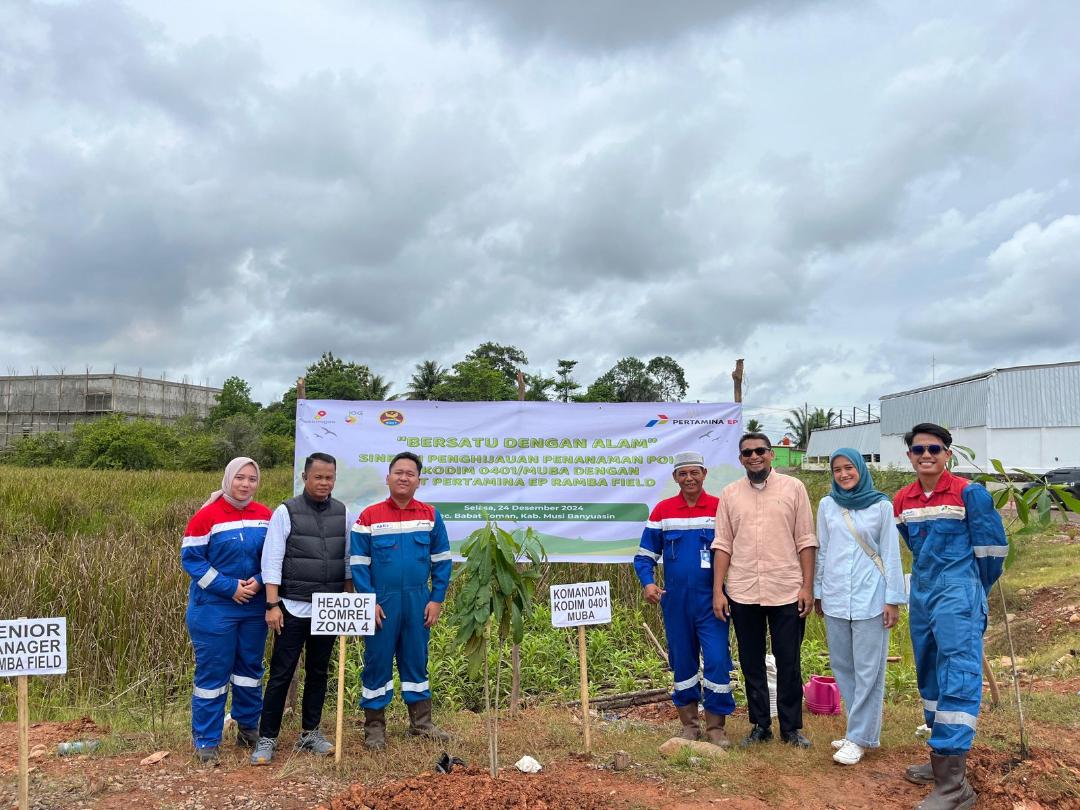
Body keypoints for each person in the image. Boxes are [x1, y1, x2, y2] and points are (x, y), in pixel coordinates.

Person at [894, 424, 1006, 809]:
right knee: (929, 671)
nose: (927, 455)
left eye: (935, 449)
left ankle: (955, 784)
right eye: (919, 449)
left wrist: (970, 592)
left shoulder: (969, 493)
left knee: (958, 672)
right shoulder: (903, 500)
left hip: (958, 593)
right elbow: (913, 544)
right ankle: (940, 761)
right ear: (909, 455)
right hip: (923, 593)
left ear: (948, 454)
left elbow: (992, 554)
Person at [711, 432, 817, 748]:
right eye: (747, 453)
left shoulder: (794, 489)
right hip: (743, 591)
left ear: (771, 455)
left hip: (786, 589)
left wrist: (807, 587)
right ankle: (760, 726)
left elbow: (806, 540)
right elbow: (723, 544)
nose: (754, 456)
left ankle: (791, 729)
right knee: (751, 661)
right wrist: (719, 590)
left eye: (760, 451)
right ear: (740, 459)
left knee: (789, 660)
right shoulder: (729, 494)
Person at [250, 452, 350, 765]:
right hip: (292, 607)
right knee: (281, 673)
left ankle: (310, 733)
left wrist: (346, 601)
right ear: (305, 477)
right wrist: (272, 603)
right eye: (318, 477)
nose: (324, 483)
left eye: (329, 477)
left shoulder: (342, 512)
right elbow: (273, 559)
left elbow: (346, 561)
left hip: (329, 607)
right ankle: (267, 738)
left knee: (319, 672)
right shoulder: (286, 511)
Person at [351, 451, 452, 750]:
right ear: (388, 478)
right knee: (377, 662)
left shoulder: (431, 516)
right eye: (398, 472)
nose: (404, 477)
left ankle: (421, 724)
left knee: (416, 661)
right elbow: (358, 563)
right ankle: (374, 728)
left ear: (419, 481)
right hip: (382, 601)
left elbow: (442, 560)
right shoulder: (368, 516)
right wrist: (369, 601)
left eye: (410, 473)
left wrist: (436, 599)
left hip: (419, 600)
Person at [634, 451, 736, 746]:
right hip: (676, 601)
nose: (689, 478)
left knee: (717, 660)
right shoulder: (663, 511)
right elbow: (644, 557)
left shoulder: (720, 508)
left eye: (694, 473)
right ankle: (689, 725)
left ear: (705, 473)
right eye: (683, 474)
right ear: (675, 477)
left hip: (713, 599)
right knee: (683, 663)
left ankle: (716, 728)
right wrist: (649, 583)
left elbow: (735, 552)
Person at [814, 448, 907, 765]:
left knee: (869, 671)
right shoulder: (827, 505)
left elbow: (892, 554)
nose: (843, 474)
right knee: (843, 667)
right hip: (836, 596)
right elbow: (823, 551)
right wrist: (818, 592)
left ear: (861, 470)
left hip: (871, 598)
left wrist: (892, 599)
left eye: (849, 467)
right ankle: (859, 730)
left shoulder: (881, 505)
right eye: (837, 469)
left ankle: (859, 738)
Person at [181, 457, 271, 764]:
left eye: (252, 479)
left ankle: (248, 728)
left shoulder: (265, 515)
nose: (246, 484)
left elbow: (275, 557)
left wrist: (259, 582)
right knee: (213, 674)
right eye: (240, 478)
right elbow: (192, 560)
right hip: (214, 609)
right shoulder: (206, 516)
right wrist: (228, 587)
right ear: (228, 478)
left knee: (249, 672)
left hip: (254, 606)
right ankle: (206, 740)